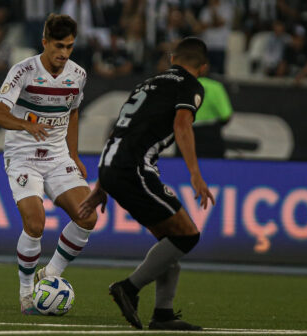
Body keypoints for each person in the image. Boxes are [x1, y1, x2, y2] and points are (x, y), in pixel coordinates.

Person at [79, 37, 215, 330]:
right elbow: (182, 125)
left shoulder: (146, 85)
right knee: (187, 236)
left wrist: (103, 185)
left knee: (170, 243)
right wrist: (195, 174)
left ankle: (163, 315)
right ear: (203, 66)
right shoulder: (190, 85)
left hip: (113, 165)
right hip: (133, 168)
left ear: (171, 57)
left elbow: (121, 132)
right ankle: (128, 288)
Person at [0, 13, 97, 315]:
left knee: (88, 217)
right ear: (45, 43)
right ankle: (26, 295)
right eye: (59, 46)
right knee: (35, 224)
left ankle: (49, 276)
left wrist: (74, 155)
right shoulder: (23, 71)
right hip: (23, 157)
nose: (64, 54)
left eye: (70, 47)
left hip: (57, 157)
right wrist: (26, 125)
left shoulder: (77, 74)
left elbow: (73, 112)